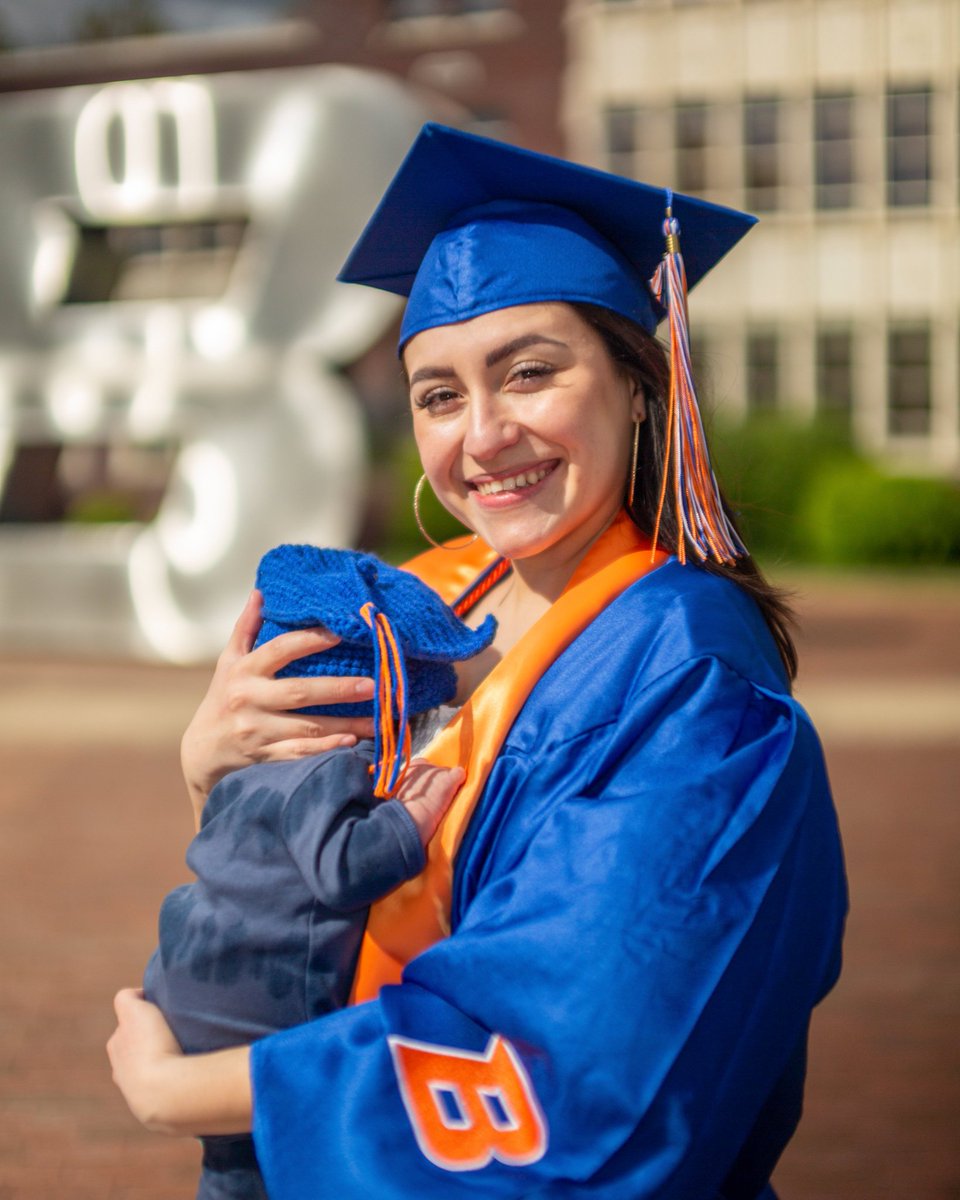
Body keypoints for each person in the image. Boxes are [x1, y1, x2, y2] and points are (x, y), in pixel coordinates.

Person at [108, 122, 847, 1200]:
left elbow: (592, 1057)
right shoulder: (429, 602)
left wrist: (195, 1093)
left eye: (531, 373)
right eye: (439, 395)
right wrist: (217, 777)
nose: (485, 434)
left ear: (641, 385)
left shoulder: (690, 677)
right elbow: (313, 899)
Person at [142, 544, 494, 1199]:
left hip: (184, 976)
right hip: (259, 1004)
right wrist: (406, 822)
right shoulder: (331, 769)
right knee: (265, 1163)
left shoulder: (247, 771)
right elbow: (341, 870)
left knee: (229, 1163)